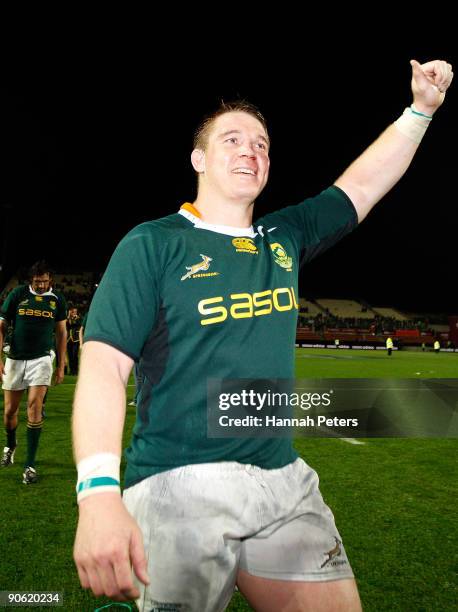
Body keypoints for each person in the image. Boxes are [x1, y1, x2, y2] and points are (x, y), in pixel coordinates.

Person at [73, 59, 453, 611]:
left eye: (261, 143)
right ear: (199, 159)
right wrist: (99, 495)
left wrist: (420, 110)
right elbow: (105, 367)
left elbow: (363, 185)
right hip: (179, 484)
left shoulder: (285, 235)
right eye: (232, 139)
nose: (250, 150)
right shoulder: (153, 245)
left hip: (283, 480)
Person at [0, 261, 67, 484]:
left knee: (34, 407)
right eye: (37, 281)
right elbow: (1, 326)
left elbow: (61, 333)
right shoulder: (17, 294)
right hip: (15, 358)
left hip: (42, 359)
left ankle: (30, 465)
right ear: (31, 280)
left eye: (45, 281)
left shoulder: (57, 300)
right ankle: (10, 445)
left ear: (50, 280)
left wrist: (60, 365)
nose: (41, 285)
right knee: (10, 412)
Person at [67, 306, 82, 375]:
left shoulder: (79, 318)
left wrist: (71, 318)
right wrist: (68, 316)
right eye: (73, 312)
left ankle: (75, 370)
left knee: (74, 355)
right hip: (69, 339)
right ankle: (71, 370)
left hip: (76, 339)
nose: (74, 313)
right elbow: (67, 325)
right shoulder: (68, 319)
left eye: (75, 311)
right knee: (70, 355)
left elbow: (74, 324)